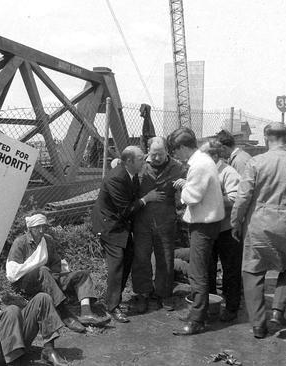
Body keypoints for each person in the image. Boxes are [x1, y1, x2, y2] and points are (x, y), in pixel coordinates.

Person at [230, 122, 286, 339]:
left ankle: (258, 325)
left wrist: (235, 222)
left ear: (266, 137)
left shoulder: (257, 162)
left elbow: (243, 197)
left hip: (259, 222)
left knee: (253, 271)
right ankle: (277, 309)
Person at [6, 213, 108, 333]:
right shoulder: (20, 243)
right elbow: (13, 271)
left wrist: (53, 275)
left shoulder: (48, 240)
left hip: (49, 278)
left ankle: (86, 312)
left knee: (82, 274)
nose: (41, 230)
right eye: (37, 227)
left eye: (43, 227)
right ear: (30, 228)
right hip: (27, 282)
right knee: (43, 270)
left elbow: (56, 263)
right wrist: (44, 272)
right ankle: (64, 314)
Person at [167, 128, 224, 336]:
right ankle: (200, 311)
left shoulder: (198, 165)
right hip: (208, 223)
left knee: (197, 273)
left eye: (175, 151)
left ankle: (196, 320)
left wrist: (183, 189)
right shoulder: (204, 161)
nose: (176, 156)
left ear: (183, 147)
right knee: (203, 269)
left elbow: (192, 197)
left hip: (203, 225)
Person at [92, 145, 155, 323]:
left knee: (127, 258)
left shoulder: (131, 173)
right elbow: (126, 209)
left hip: (120, 223)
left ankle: (115, 299)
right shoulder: (116, 178)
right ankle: (112, 306)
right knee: (117, 264)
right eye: (141, 159)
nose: (145, 161)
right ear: (129, 161)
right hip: (109, 226)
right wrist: (146, 199)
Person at [131, 137, 186, 313]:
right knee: (141, 259)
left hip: (165, 221)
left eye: (160, 154)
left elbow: (192, 182)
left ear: (167, 152)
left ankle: (164, 294)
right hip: (142, 222)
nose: (156, 158)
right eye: (153, 154)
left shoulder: (177, 167)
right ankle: (142, 294)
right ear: (148, 151)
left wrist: (185, 185)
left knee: (166, 259)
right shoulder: (140, 165)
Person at [201, 139, 242, 323]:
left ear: (215, 156)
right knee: (207, 267)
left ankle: (232, 307)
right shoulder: (206, 171)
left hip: (226, 229)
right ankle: (210, 304)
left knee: (230, 269)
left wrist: (209, 196)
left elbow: (234, 199)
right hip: (209, 228)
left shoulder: (228, 172)